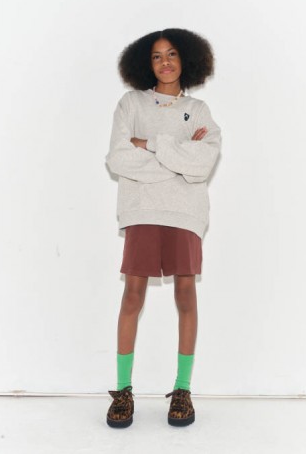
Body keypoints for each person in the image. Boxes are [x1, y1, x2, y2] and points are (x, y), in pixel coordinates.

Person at [105, 28, 222, 428]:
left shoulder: (199, 111)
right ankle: (123, 390)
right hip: (141, 210)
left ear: (186, 59)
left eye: (172, 54)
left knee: (186, 293)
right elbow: (118, 158)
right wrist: (178, 160)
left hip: (185, 213)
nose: (165, 62)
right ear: (146, 63)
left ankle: (183, 389)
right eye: (156, 56)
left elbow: (202, 165)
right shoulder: (131, 104)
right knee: (132, 295)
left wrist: (151, 144)